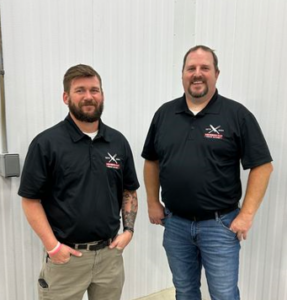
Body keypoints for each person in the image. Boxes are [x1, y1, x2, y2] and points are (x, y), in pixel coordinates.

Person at [141, 45, 273, 300]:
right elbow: (151, 161)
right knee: (185, 291)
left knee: (223, 294)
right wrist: (152, 202)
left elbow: (263, 166)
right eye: (191, 68)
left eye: (205, 68)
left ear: (216, 74)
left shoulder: (236, 115)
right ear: (182, 74)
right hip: (175, 223)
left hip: (220, 225)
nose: (197, 74)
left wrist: (246, 214)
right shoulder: (164, 114)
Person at [18, 64, 139, 300]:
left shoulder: (118, 142)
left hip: (109, 257)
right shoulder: (46, 143)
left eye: (94, 90)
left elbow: (129, 190)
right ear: (66, 97)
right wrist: (53, 247)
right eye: (80, 90)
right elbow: (30, 200)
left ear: (102, 95)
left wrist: (129, 231)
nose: (88, 97)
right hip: (66, 259)